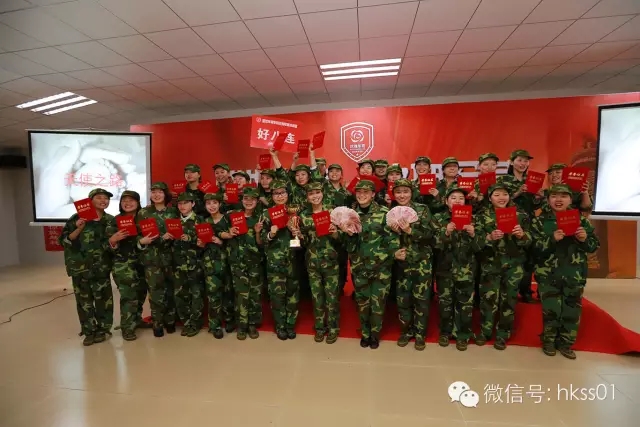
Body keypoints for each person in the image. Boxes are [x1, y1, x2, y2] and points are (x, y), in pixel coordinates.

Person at [530, 184, 600, 359]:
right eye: (554, 196)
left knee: (572, 310)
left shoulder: (581, 221)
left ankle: (566, 343)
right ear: (548, 200)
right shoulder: (539, 221)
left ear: (570, 199)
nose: (558, 200)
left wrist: (584, 239)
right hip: (548, 275)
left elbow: (593, 246)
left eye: (563, 196)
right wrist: (552, 239)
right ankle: (548, 341)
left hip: (574, 274)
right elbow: (533, 248)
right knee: (551, 310)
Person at [341, 179, 402, 349]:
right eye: (359, 192)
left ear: (373, 194)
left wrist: (392, 254)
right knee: (362, 302)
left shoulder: (384, 213)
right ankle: (365, 333)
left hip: (381, 267)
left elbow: (392, 239)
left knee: (378, 303)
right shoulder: (351, 215)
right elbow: (348, 246)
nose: (362, 195)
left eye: (366, 192)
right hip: (359, 266)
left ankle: (374, 334)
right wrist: (347, 234)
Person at [474, 183, 532, 350]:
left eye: (504, 194)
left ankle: (503, 334)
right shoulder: (482, 216)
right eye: (497, 194)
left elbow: (531, 241)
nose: (501, 198)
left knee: (509, 301)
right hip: (490, 264)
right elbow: (475, 242)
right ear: (490, 198)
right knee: (488, 300)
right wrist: (489, 237)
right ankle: (485, 332)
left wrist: (522, 236)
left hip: (513, 265)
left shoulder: (520, 215)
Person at [59, 188, 115, 346]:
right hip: (80, 267)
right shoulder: (77, 218)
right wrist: (78, 228)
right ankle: (89, 331)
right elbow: (63, 241)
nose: (103, 200)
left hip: (101, 267)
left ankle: (103, 329)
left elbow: (111, 245)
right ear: (90, 201)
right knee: (84, 301)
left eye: (106, 198)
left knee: (103, 300)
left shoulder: (110, 220)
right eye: (99, 197)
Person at [432, 186, 485, 351]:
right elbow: (434, 245)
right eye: (453, 198)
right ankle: (445, 332)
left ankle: (463, 334)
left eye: (461, 198)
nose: (457, 201)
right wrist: (446, 233)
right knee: (445, 303)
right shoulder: (438, 219)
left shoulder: (474, 219)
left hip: (467, 269)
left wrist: (474, 234)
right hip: (445, 269)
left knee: (465, 304)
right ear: (446, 202)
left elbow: (481, 247)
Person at [389, 179, 434, 351]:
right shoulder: (390, 212)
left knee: (422, 299)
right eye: (398, 192)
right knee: (403, 299)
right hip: (401, 263)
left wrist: (410, 230)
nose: (402, 195)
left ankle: (420, 333)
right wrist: (393, 236)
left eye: (405, 191)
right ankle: (406, 331)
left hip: (422, 262)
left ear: (411, 192)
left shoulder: (422, 210)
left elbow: (430, 234)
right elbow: (384, 239)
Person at [296, 182, 342, 343]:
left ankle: (333, 328)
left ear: (322, 193)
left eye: (317, 192)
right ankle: (320, 327)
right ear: (307, 197)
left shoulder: (332, 212)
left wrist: (335, 233)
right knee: (317, 297)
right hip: (312, 261)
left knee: (332, 297)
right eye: (311, 193)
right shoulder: (303, 216)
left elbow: (343, 238)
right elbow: (302, 243)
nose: (315, 196)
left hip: (330, 260)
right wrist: (299, 236)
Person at [259, 180, 300, 340]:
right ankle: (280, 326)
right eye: (276, 193)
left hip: (292, 259)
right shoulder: (267, 214)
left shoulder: (294, 212)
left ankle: (290, 324)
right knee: (277, 295)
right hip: (274, 261)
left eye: (282, 193)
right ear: (272, 196)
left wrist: (296, 233)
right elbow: (261, 239)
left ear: (287, 194)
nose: (280, 196)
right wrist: (271, 234)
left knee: (292, 294)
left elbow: (302, 239)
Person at [137, 182, 179, 338]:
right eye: (153, 192)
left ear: (165, 194)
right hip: (151, 259)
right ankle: (157, 323)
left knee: (171, 290)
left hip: (170, 258)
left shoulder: (173, 211)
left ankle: (170, 321)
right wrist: (157, 238)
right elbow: (139, 234)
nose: (156, 195)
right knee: (155, 292)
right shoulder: (144, 213)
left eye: (160, 192)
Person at [106, 190, 148, 341]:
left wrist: (145, 241)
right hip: (123, 264)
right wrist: (113, 240)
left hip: (142, 263)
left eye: (131, 201)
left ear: (138, 203)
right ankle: (127, 327)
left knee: (141, 293)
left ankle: (137, 320)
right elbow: (108, 245)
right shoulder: (115, 221)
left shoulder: (144, 219)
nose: (127, 203)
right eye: (124, 201)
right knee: (128, 296)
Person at [225, 187, 264, 340]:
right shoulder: (232, 216)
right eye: (246, 199)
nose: (249, 202)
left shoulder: (260, 218)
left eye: (252, 199)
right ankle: (242, 325)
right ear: (241, 200)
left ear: (257, 201)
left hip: (255, 262)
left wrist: (257, 232)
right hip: (237, 261)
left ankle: (253, 324)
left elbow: (261, 243)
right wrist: (228, 232)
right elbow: (220, 232)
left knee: (255, 294)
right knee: (241, 294)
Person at [198, 192, 230, 339]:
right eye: (208, 203)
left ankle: (229, 320)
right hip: (210, 263)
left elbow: (236, 240)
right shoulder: (203, 223)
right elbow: (200, 245)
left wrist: (222, 241)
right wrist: (201, 244)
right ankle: (215, 325)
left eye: (214, 203)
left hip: (229, 262)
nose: (212, 206)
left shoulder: (228, 219)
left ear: (220, 204)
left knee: (229, 293)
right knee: (213, 295)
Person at [172, 192, 204, 337]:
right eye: (180, 203)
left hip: (195, 264)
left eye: (186, 203)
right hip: (178, 264)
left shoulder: (200, 220)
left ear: (193, 204)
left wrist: (191, 238)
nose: (182, 206)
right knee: (180, 295)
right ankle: (185, 322)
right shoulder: (174, 221)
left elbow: (205, 240)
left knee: (196, 295)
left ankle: (195, 323)